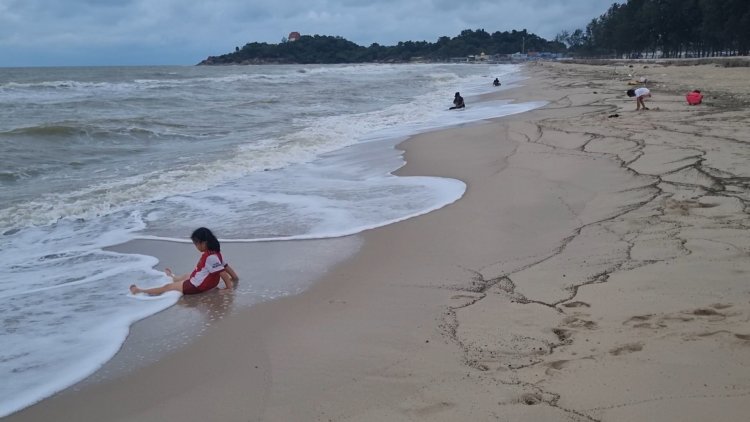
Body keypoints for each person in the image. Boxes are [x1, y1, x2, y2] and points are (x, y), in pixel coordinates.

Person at [130, 227, 239, 296]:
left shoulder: (211, 257)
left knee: (167, 287)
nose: (196, 246)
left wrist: (229, 288)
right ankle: (172, 276)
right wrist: (235, 278)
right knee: (187, 275)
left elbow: (223, 273)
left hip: (197, 286)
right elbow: (226, 267)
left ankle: (139, 291)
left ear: (204, 243)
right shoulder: (215, 253)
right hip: (206, 283)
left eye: (196, 244)